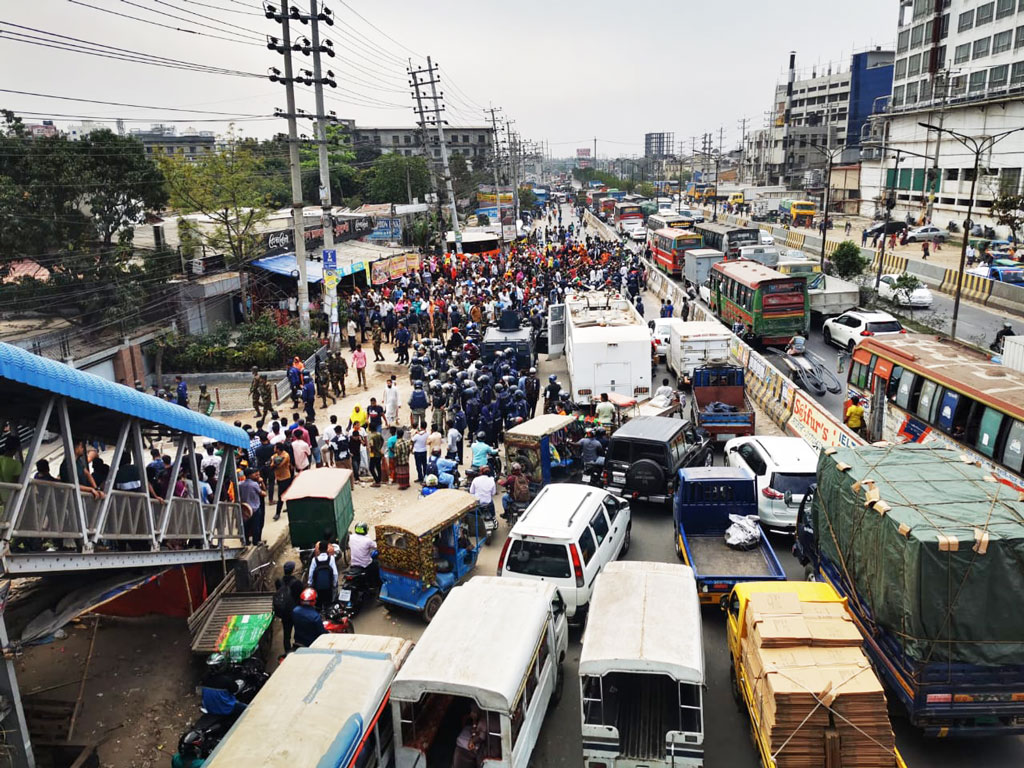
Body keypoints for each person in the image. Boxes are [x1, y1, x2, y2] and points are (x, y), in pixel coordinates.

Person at [272, 560, 303, 654]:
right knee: (298, 632)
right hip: (295, 611)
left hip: (284, 612)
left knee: (286, 634)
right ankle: (297, 648)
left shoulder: (279, 582)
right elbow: (300, 597)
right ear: (293, 570)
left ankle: (287, 651)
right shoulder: (297, 583)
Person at [307, 543, 338, 614]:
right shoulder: (331, 559)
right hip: (328, 588)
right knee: (329, 605)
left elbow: (310, 575)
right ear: (327, 549)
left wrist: (310, 585)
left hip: (317, 589)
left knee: (318, 606)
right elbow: (335, 574)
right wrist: (333, 584)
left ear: (319, 550)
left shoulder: (314, 560)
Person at [349, 521, 380, 589]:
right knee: (376, 565)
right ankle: (374, 585)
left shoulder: (351, 538)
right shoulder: (368, 541)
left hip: (354, 564)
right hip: (365, 564)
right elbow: (378, 546)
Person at [271, 443, 292, 520]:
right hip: (278, 478)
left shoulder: (286, 456)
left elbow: (279, 465)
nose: (274, 449)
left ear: (278, 449)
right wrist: (274, 461)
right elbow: (271, 465)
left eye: (275, 448)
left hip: (285, 478)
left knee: (281, 496)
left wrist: (274, 462)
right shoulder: (275, 456)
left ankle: (277, 513)